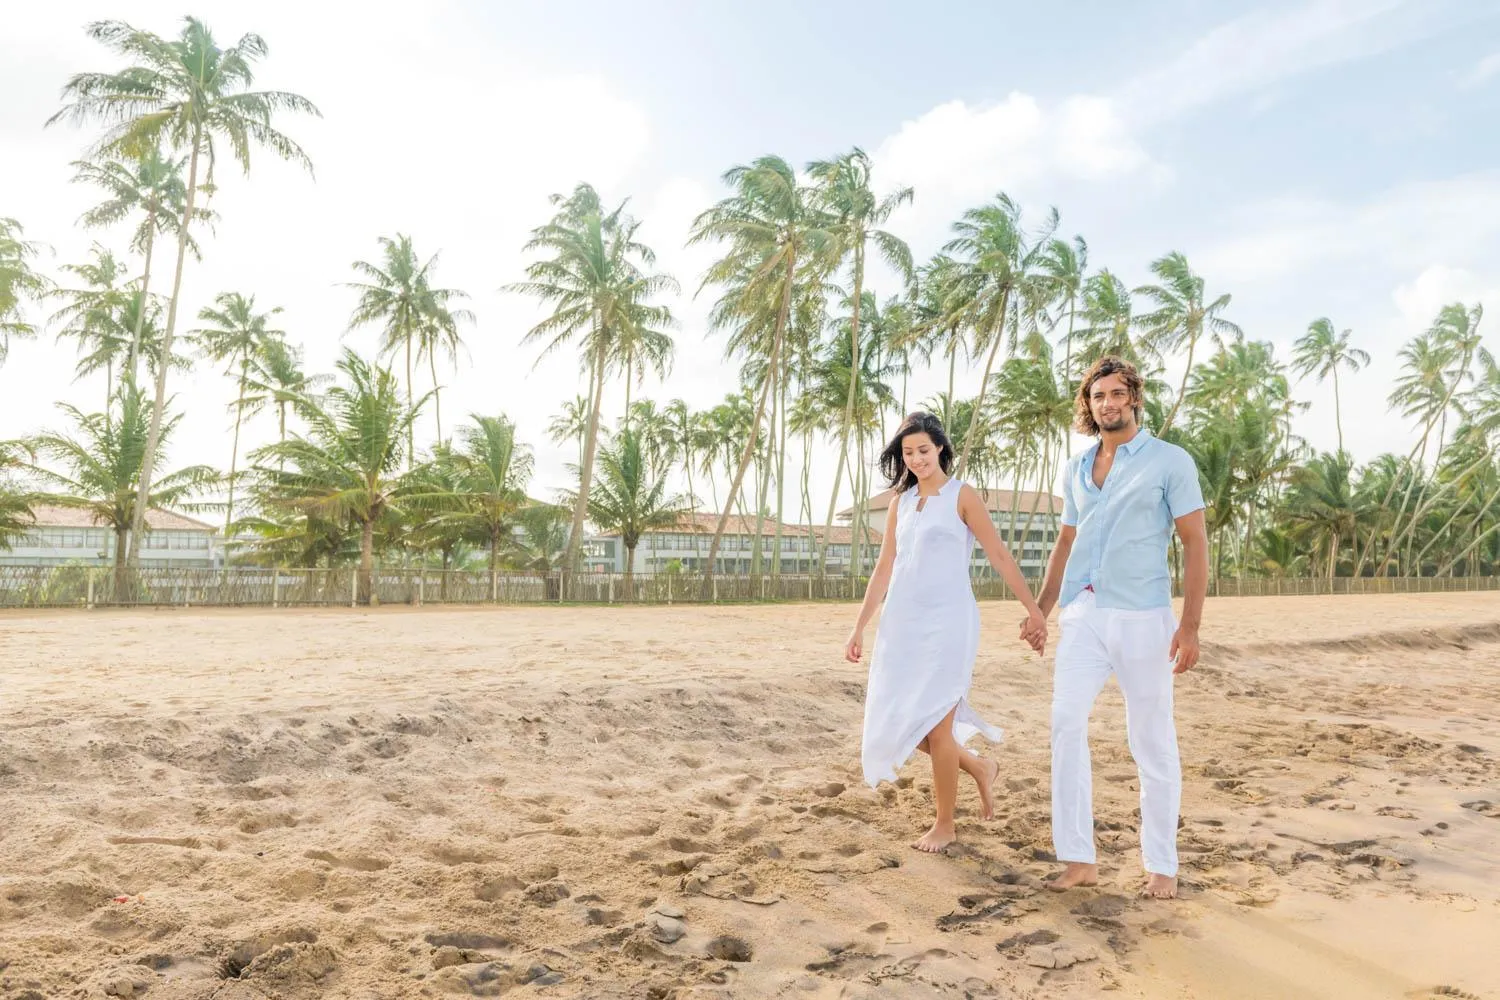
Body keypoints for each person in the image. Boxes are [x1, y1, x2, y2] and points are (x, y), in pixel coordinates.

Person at [1031, 356, 1209, 900]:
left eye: (1117, 393)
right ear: (1087, 405)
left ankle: (1161, 863)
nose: (1107, 403)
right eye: (1097, 395)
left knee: (1150, 739)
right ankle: (1079, 858)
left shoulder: (1168, 461)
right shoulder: (1077, 467)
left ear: (1133, 398)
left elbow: (1195, 543)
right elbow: (1066, 541)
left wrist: (1191, 626)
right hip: (1083, 613)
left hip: (1143, 615)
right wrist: (1041, 610)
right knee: (1065, 723)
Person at [845, 411, 1048, 853]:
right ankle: (977, 766)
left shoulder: (963, 496)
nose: (916, 459)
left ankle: (945, 824)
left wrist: (1035, 611)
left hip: (948, 621)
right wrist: (859, 626)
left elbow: (998, 554)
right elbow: (885, 568)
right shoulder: (900, 503)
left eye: (923, 449)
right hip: (902, 623)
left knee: (938, 722)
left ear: (940, 448)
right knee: (903, 721)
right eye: (907, 452)